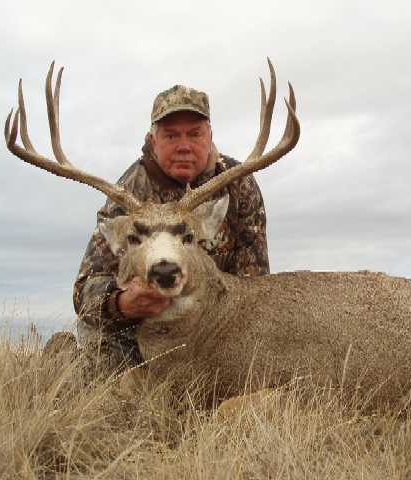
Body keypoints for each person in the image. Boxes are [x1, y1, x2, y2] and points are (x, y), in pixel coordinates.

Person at [72, 85, 270, 375]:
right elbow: (85, 291)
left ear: (210, 137)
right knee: (104, 377)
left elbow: (256, 285)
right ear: (153, 141)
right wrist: (123, 303)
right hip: (145, 328)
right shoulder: (128, 194)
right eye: (171, 135)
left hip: (216, 325)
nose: (184, 146)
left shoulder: (238, 184)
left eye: (194, 134)